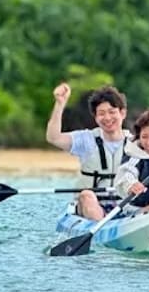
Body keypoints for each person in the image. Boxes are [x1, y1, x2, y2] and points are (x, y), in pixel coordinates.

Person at [45, 82, 131, 220]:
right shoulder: (86, 140)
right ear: (96, 118)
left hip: (126, 207)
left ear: (122, 113)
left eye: (112, 112)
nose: (107, 118)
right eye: (101, 113)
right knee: (86, 195)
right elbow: (53, 137)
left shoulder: (136, 143)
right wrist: (60, 104)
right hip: (92, 208)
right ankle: (102, 228)